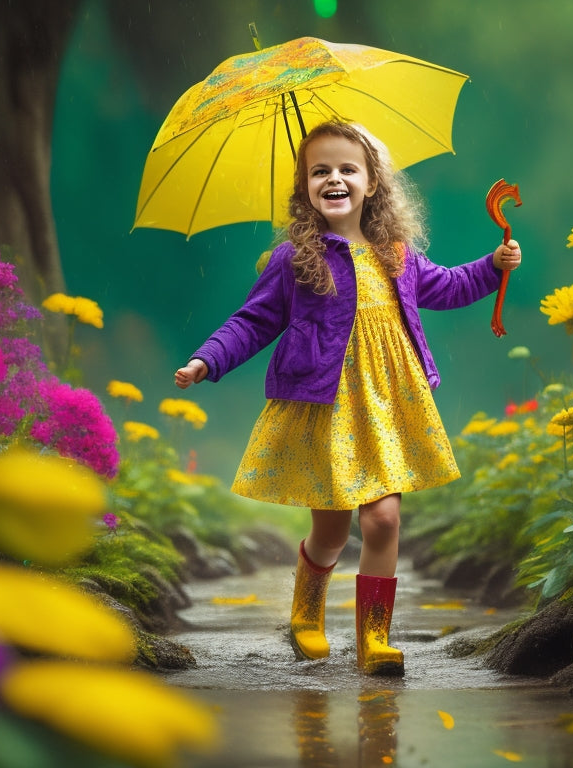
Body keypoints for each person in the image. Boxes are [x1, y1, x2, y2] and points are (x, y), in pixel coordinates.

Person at [174, 119, 522, 676]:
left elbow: (449, 287)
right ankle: (307, 614)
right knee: (333, 527)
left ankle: (374, 638)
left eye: (346, 169)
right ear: (304, 188)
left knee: (382, 521)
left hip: (386, 405)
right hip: (326, 407)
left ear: (372, 183)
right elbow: (253, 321)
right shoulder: (295, 260)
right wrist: (207, 359)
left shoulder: (397, 255)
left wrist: (491, 267)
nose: (333, 178)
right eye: (320, 171)